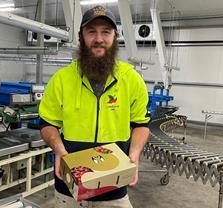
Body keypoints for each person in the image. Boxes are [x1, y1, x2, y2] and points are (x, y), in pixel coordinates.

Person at [39, 5, 150, 208]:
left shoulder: (131, 79)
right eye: (91, 31)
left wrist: (134, 155)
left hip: (114, 189)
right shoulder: (62, 79)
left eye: (105, 32)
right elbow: (47, 123)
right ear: (81, 36)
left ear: (115, 36)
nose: (99, 39)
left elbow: (141, 124)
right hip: (68, 188)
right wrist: (59, 151)